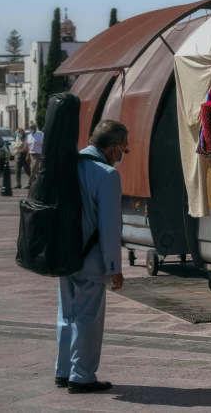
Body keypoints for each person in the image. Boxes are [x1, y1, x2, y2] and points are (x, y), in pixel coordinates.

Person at [55, 120, 127, 394]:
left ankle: (63, 370)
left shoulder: (67, 166)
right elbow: (110, 227)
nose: (123, 155)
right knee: (87, 318)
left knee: (67, 314)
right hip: (92, 259)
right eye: (124, 149)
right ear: (112, 148)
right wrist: (114, 268)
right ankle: (81, 376)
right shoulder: (107, 174)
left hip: (64, 254)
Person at [25, 122, 44, 189]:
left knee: (38, 168)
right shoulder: (29, 136)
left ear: (35, 128)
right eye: (29, 128)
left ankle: (34, 183)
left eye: (31, 128)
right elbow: (28, 146)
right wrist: (27, 155)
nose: (30, 129)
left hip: (39, 154)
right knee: (34, 169)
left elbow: (43, 145)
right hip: (32, 154)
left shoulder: (40, 136)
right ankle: (31, 183)